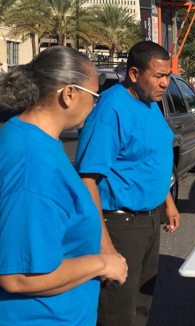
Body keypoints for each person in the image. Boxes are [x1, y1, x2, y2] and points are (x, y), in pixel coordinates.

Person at [0, 46, 127, 325]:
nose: (96, 106)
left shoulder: (28, 135)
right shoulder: (33, 167)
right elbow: (19, 277)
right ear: (69, 94)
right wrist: (103, 263)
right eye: (94, 97)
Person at [75, 41, 180, 326]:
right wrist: (105, 244)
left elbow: (152, 159)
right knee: (117, 310)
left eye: (167, 75)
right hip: (119, 224)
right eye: (158, 76)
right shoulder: (111, 111)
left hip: (149, 219)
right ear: (133, 73)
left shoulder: (150, 104)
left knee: (141, 303)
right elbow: (87, 179)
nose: (165, 83)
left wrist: (168, 202)